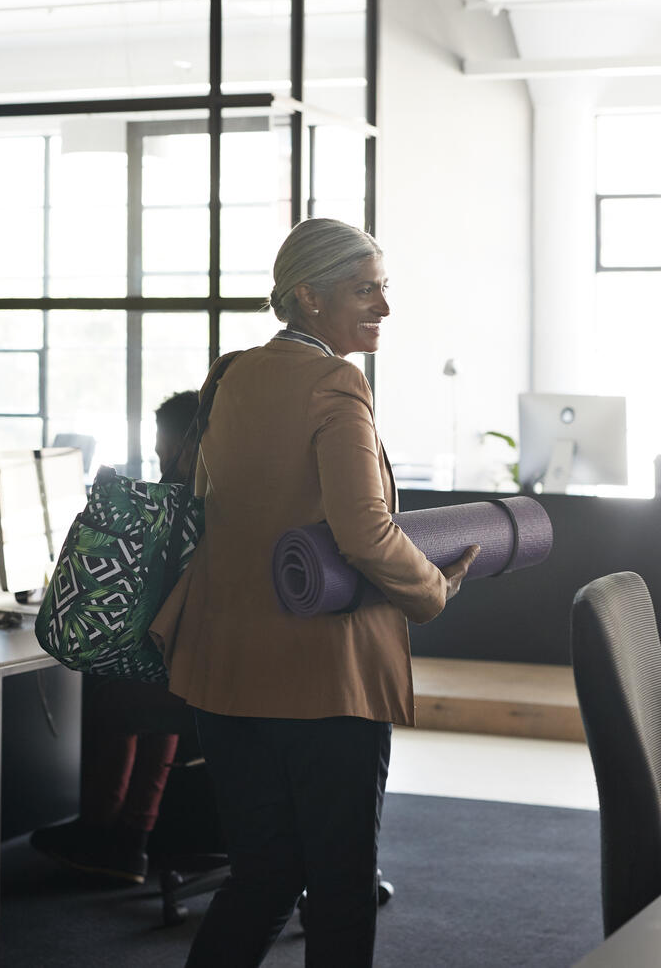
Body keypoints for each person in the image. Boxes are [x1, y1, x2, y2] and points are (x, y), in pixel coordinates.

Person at [147, 217, 480, 967]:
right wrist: (432, 588)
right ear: (308, 295)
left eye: (384, 288)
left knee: (262, 877)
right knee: (339, 888)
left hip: (224, 669)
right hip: (322, 679)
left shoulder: (231, 373)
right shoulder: (336, 380)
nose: (384, 307)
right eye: (366, 289)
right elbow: (364, 531)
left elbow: (210, 504)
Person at [29, 390, 203, 884]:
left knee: (113, 692)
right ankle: (130, 839)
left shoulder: (179, 506)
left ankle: (103, 830)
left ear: (178, 445)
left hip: (190, 679)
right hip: (204, 670)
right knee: (153, 691)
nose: (159, 458)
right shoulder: (222, 498)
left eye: (162, 448)